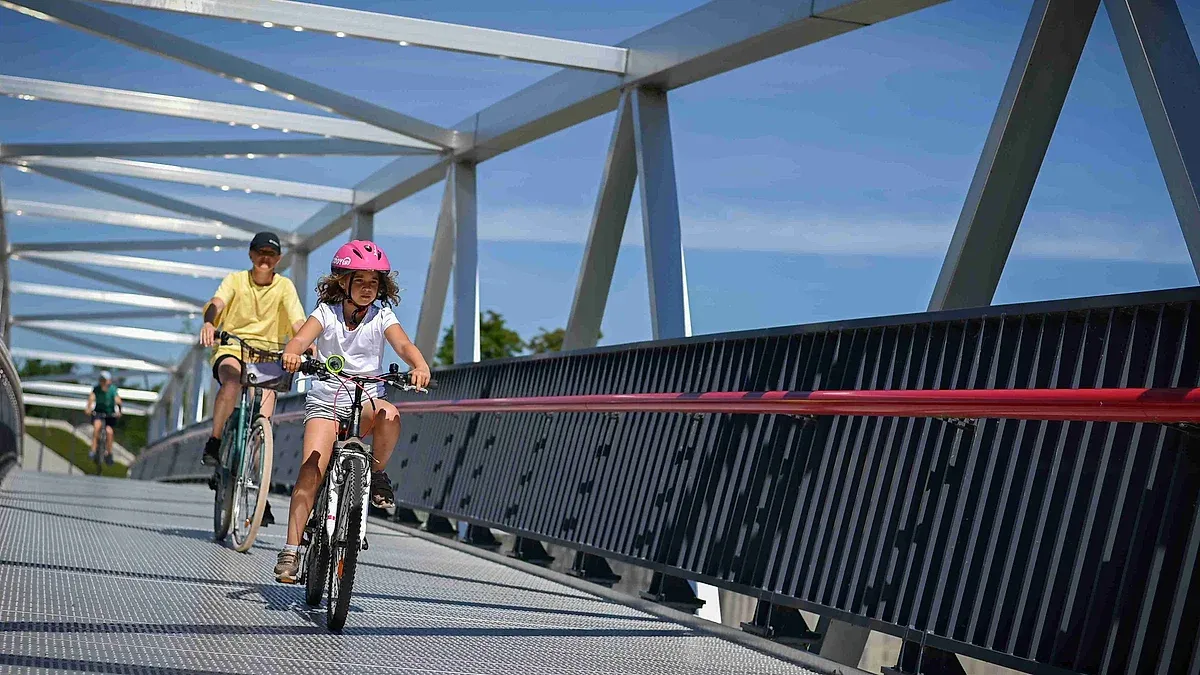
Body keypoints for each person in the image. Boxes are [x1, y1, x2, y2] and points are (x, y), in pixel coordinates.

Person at [272, 240, 431, 583]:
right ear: (343, 282)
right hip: (327, 398)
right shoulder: (326, 313)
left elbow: (402, 343)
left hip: (365, 399)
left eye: (373, 283)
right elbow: (301, 340)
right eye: (359, 281)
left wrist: (419, 365)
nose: (367, 289)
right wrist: (293, 353)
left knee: (390, 413)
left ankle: (377, 473)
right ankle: (291, 550)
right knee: (312, 467)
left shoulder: (381, 315)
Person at [199, 231, 306, 527]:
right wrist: (210, 323)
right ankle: (215, 441)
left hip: (268, 357)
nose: (265, 259)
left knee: (264, 426)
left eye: (270, 255)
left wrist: (307, 343)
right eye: (260, 253)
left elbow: (298, 321)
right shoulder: (235, 280)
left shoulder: (285, 287)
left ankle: (259, 493)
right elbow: (217, 304)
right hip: (234, 347)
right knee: (232, 382)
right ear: (250, 255)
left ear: (279, 260)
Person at [84, 370, 121, 465]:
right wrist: (88, 408)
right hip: (99, 412)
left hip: (109, 414)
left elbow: (118, 400)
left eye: (104, 380)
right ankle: (93, 449)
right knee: (96, 427)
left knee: (109, 431)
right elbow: (91, 398)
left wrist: (119, 410)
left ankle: (109, 453)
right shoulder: (96, 389)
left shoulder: (113, 389)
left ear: (109, 381)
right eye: (101, 380)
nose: (103, 382)